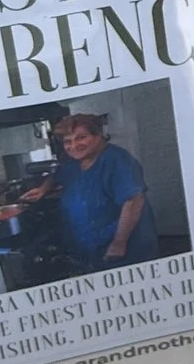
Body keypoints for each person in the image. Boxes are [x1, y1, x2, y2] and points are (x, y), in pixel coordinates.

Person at [39, 113, 159, 270]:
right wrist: (44, 188)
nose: (74, 146)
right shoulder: (73, 164)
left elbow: (134, 201)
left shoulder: (118, 160)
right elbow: (58, 174)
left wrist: (119, 243)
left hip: (124, 250)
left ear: (99, 135)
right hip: (93, 250)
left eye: (81, 137)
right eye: (67, 141)